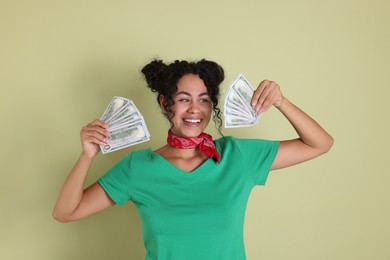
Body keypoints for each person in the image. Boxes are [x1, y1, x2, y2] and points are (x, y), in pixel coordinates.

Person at [53, 59, 333, 260]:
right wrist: (86, 156)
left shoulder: (237, 156)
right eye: (184, 99)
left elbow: (319, 143)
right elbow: (66, 212)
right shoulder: (136, 168)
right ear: (166, 103)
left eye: (204, 99)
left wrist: (280, 101)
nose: (195, 110)